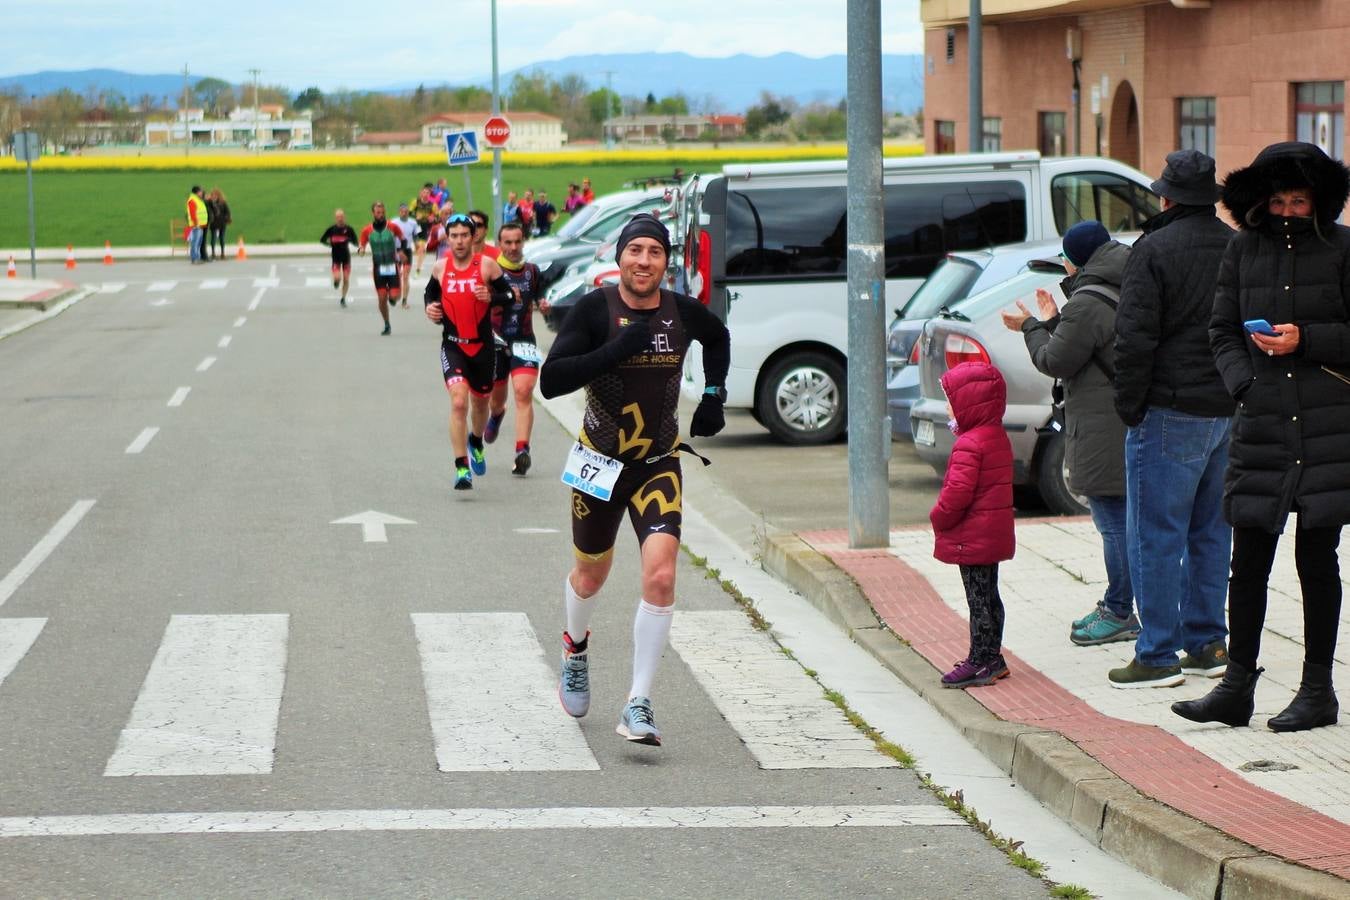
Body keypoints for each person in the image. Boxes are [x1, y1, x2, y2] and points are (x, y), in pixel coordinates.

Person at [1174, 141, 1350, 733]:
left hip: (1329, 428)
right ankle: (1236, 686)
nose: (1288, 210)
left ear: (1319, 200)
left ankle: (1317, 690)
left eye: (1300, 199)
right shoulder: (1243, 250)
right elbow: (1221, 329)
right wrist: (1244, 383)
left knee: (1315, 560)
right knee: (1247, 560)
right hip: (1263, 423)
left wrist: (1309, 340)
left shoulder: (1346, 248)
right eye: (1278, 199)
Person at [540, 212, 731, 747]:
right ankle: (575, 647)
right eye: (634, 251)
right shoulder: (593, 310)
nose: (643, 261)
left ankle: (638, 702)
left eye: (654, 251)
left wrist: (714, 394)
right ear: (618, 257)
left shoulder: (682, 313)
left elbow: (719, 338)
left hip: (657, 463)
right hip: (599, 464)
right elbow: (553, 380)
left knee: (662, 576)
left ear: (666, 261)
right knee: (591, 577)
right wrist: (613, 353)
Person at [1111, 150, 1236, 687]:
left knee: (1156, 535)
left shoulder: (1152, 249)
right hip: (1226, 409)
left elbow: (1134, 338)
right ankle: (1208, 644)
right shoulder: (1236, 244)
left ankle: (1157, 654)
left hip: (1168, 409)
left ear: (1166, 198)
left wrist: (1129, 405)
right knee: (1212, 531)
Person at [1001, 221, 1138, 657]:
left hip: (1102, 427)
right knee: (1130, 521)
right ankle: (1129, 608)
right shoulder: (1127, 279)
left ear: (1074, 259)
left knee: (1114, 522)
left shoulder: (1088, 300)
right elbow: (1092, 346)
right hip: (1127, 420)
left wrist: (1029, 326)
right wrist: (1055, 319)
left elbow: (1054, 359)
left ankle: (1119, 611)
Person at [929, 362, 1015, 688]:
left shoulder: (969, 443)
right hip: (990, 535)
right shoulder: (994, 435)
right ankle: (993, 655)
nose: (948, 408)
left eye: (951, 401)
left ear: (970, 403)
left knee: (978, 600)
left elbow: (957, 494)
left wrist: (939, 516)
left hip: (972, 537)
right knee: (990, 596)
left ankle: (981, 660)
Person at [422, 213, 513, 490]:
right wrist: (430, 308)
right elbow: (430, 295)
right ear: (447, 238)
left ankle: (475, 440)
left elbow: (509, 296)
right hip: (453, 345)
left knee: (480, 403)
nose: (459, 241)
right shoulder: (440, 268)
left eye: (464, 235)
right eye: (454, 236)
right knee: (459, 402)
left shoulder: (487, 266)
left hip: (483, 348)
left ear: (473, 237)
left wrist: (492, 297)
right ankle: (462, 467)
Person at [490, 221, 542, 475]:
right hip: (496, 343)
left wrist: (544, 304)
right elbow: (481, 301)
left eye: (517, 242)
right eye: (507, 242)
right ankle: (496, 415)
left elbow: (540, 295)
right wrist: (505, 297)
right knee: (497, 399)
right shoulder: (491, 270)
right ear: (499, 244)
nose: (513, 247)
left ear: (523, 242)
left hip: (524, 340)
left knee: (523, 391)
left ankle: (522, 450)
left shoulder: (532, 271)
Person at [358, 201, 406, 335]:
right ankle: (387, 323)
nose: (381, 214)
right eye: (378, 212)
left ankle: (394, 297)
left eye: (382, 212)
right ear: (373, 213)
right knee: (382, 297)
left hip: (392, 265)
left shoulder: (392, 226)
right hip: (378, 268)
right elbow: (361, 244)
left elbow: (403, 239)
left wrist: (401, 251)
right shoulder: (367, 230)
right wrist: (361, 249)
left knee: (394, 296)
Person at [319, 209, 358, 307]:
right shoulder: (331, 229)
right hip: (336, 258)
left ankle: (343, 298)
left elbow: (356, 242)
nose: (340, 219)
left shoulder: (349, 229)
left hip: (346, 257)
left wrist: (351, 241)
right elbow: (322, 240)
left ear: (344, 217)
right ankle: (336, 282)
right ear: (335, 218)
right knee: (338, 278)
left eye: (341, 217)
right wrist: (329, 245)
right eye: (338, 217)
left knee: (346, 279)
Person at [392, 202, 421, 305]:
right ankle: (396, 293)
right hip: (396, 251)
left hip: (407, 251)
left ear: (408, 212)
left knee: (405, 276)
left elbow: (416, 236)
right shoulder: (393, 222)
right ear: (399, 212)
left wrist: (417, 245)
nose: (404, 213)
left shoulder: (413, 223)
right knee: (396, 276)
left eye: (406, 212)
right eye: (402, 212)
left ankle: (404, 300)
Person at [412, 187, 438, 275]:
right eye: (424, 192)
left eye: (427, 193)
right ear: (421, 194)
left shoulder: (433, 205)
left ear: (429, 195)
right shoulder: (416, 202)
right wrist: (416, 215)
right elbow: (409, 213)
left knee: (421, 248)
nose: (426, 194)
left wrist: (433, 219)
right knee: (417, 248)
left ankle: (418, 269)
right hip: (415, 228)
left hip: (425, 228)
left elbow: (438, 217)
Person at [207, 188, 231, 262]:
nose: (213, 196)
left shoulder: (223, 202)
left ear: (218, 195)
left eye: (215, 195)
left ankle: (222, 253)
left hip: (222, 222)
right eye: (212, 195)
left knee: (222, 238)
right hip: (213, 223)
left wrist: (226, 218)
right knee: (213, 238)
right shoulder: (209, 203)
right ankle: (213, 253)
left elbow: (227, 212)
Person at [186, 185, 208, 264]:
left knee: (198, 243)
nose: (202, 193)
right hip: (196, 226)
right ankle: (194, 259)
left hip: (200, 225)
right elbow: (192, 213)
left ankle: (197, 258)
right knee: (195, 243)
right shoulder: (192, 200)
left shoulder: (198, 199)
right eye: (201, 191)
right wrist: (196, 224)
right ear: (197, 192)